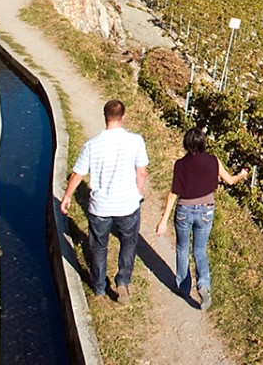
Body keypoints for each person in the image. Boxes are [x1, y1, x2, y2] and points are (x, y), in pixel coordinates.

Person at [62, 99, 149, 301]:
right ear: (123, 117)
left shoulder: (92, 145)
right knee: (128, 243)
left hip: (100, 207)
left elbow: (77, 175)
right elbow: (142, 172)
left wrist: (67, 197)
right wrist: (137, 193)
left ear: (105, 117)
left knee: (98, 247)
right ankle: (122, 281)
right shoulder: (136, 141)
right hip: (128, 204)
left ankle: (99, 287)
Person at [155, 126, 248, 310]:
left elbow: (174, 193)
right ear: (204, 143)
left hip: (184, 209)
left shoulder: (180, 165)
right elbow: (229, 180)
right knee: (200, 250)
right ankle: (203, 286)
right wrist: (242, 175)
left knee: (182, 248)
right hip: (206, 210)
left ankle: (183, 287)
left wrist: (164, 219)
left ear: (186, 144)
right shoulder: (213, 161)